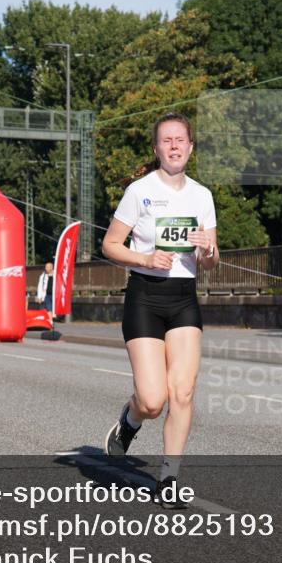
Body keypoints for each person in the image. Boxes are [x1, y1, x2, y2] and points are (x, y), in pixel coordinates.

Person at [101, 112, 218, 508]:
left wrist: (208, 249)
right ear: (157, 149)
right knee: (153, 400)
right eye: (166, 140)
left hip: (184, 299)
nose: (173, 146)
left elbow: (210, 262)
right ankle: (130, 420)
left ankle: (169, 478)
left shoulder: (202, 196)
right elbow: (110, 245)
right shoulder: (139, 191)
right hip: (145, 296)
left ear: (190, 147)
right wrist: (146, 258)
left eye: (180, 140)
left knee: (182, 392)